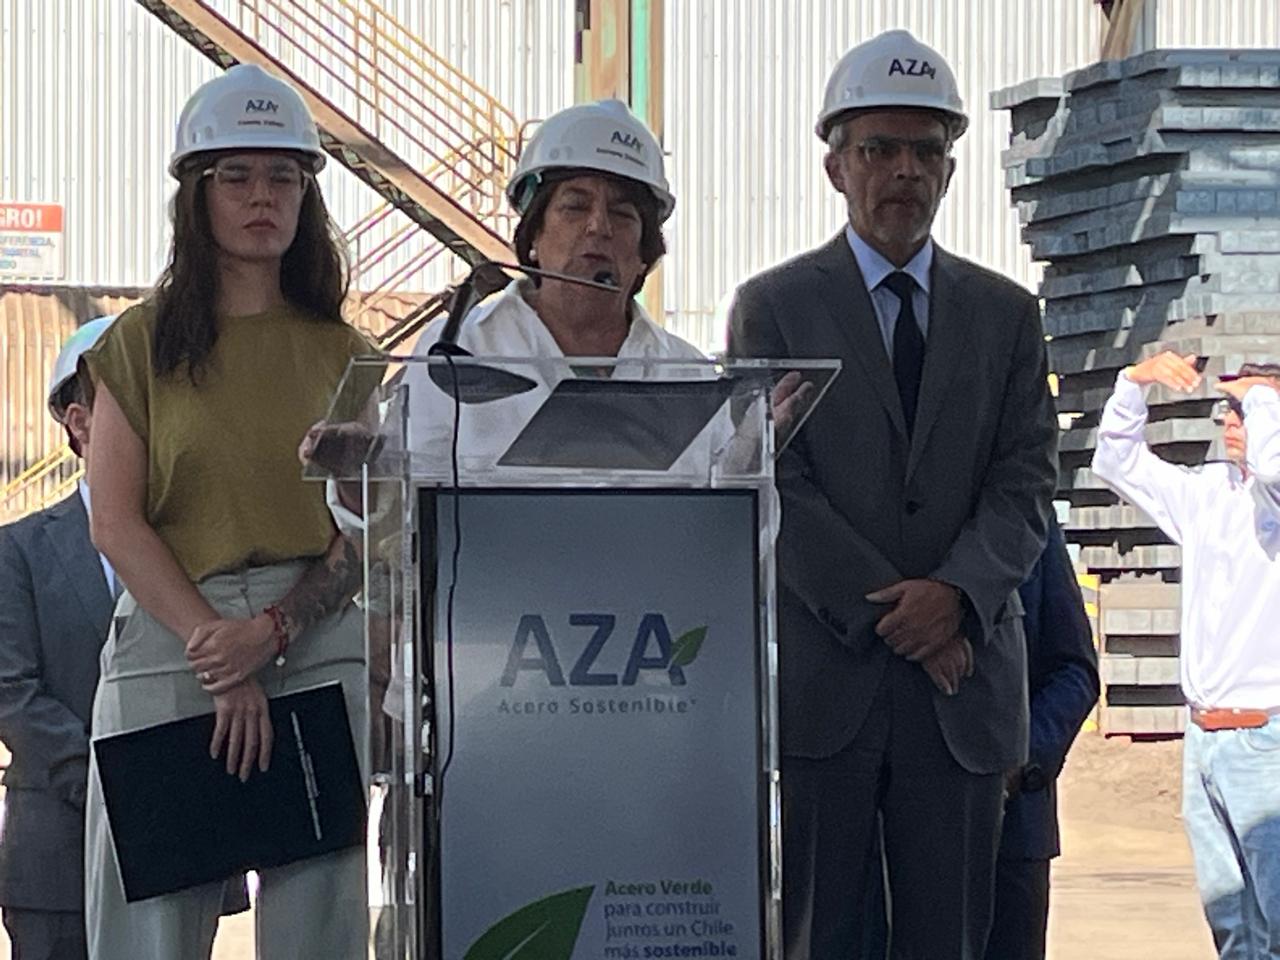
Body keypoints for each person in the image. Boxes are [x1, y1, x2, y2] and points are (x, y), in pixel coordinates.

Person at [727, 29, 1057, 959]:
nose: (904, 170)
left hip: (961, 691)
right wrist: (900, 618)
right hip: (830, 694)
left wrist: (957, 597)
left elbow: (1026, 477)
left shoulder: (1006, 316)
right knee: (819, 938)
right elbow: (775, 481)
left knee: (949, 939)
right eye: (879, 148)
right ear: (836, 166)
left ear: (950, 168)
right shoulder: (773, 308)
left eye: (926, 149)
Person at [81, 64, 375, 959]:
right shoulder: (138, 343)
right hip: (173, 635)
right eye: (236, 175)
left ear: (307, 196)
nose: (262, 197)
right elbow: (114, 520)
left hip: (314, 642)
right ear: (196, 195)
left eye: (284, 176)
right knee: (150, 928)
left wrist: (272, 633)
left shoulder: (348, 355)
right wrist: (220, 650)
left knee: (320, 929)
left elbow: (368, 530)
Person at [0, 318, 250, 960]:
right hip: (61, 857)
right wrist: (121, 787)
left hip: (184, 853)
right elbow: (11, 693)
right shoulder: (18, 552)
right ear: (79, 424)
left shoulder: (215, 550)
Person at [1091, 352, 1280, 958]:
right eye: (1229, 409)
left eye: (1244, 412)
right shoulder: (1209, 493)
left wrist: (1262, 394)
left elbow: (1274, 470)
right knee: (1234, 928)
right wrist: (1132, 384)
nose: (1231, 421)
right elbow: (1117, 460)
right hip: (1206, 738)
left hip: (1268, 741)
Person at [987, 515, 1099, 960]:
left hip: (1012, 829)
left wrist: (1021, 759)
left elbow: (1076, 672)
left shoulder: (1029, 519)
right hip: (881, 834)